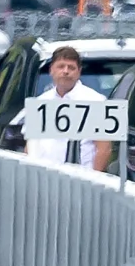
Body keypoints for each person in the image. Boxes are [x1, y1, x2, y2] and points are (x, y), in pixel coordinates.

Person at [23, 43, 117, 175]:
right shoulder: (40, 102)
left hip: (80, 180)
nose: (65, 71)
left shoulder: (95, 101)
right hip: (44, 179)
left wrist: (92, 180)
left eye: (71, 67)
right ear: (51, 70)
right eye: (61, 66)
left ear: (79, 72)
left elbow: (104, 149)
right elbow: (31, 145)